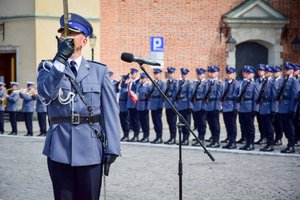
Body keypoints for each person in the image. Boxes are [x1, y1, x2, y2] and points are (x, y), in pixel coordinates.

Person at [37, 13, 121, 199]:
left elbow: (110, 111)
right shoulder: (47, 68)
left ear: (84, 41)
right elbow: (46, 93)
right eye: (62, 33)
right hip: (60, 146)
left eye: (71, 33)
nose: (65, 37)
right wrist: (59, 60)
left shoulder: (99, 71)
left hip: (90, 147)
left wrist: (113, 147)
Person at [275, 62, 300, 153]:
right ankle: (289, 144)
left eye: (288, 69)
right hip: (282, 107)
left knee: (289, 127)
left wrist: (293, 109)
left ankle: (291, 145)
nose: (286, 70)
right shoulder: (284, 80)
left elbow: (295, 97)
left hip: (289, 107)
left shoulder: (294, 81)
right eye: (285, 69)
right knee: (284, 127)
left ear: (292, 71)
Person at [254, 66, 275, 151]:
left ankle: (270, 144)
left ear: (270, 72)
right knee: (265, 126)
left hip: (268, 108)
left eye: (266, 71)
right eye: (264, 71)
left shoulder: (272, 83)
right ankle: (267, 143)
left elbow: (274, 98)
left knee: (269, 127)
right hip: (263, 107)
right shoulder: (264, 82)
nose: (264, 73)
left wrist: (273, 109)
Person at [237, 66, 258, 151]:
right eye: (244, 72)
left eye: (248, 73)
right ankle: (246, 142)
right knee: (244, 126)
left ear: (252, 74)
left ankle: (251, 144)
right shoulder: (242, 83)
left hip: (249, 108)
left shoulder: (254, 84)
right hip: (242, 107)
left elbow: (256, 98)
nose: (245, 74)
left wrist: (255, 109)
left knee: (250, 127)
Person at [203, 66, 223, 148]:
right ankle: (213, 139)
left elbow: (219, 96)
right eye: (210, 72)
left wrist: (217, 107)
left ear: (217, 73)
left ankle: (216, 141)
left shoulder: (219, 83)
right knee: (210, 124)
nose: (211, 73)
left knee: (215, 124)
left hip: (214, 106)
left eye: (213, 72)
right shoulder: (207, 83)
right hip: (208, 106)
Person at [221, 66, 240, 149]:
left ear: (234, 74)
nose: (229, 75)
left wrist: (236, 108)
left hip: (232, 106)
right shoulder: (225, 83)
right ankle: (229, 141)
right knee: (227, 124)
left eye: (231, 73)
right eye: (228, 73)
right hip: (225, 106)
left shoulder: (236, 83)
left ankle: (233, 142)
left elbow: (237, 97)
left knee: (232, 125)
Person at [175, 68, 193, 146]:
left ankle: (186, 139)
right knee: (181, 123)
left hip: (186, 105)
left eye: (185, 74)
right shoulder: (179, 83)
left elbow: (190, 96)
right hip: (180, 105)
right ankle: (183, 138)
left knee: (186, 123)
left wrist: (190, 106)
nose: (183, 75)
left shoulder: (189, 84)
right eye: (182, 74)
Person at [149, 68, 166, 144]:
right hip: (153, 104)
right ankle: (156, 136)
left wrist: (160, 105)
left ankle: (160, 137)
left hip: (158, 104)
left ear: (160, 74)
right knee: (154, 121)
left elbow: (163, 95)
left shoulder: (162, 83)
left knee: (158, 121)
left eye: (157, 73)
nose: (155, 75)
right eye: (154, 73)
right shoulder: (152, 83)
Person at [191, 68, 207, 146]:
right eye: (198, 74)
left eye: (200, 74)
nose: (198, 76)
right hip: (196, 105)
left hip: (202, 105)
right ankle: (199, 137)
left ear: (204, 74)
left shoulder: (205, 84)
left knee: (202, 123)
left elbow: (206, 95)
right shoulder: (196, 83)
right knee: (197, 123)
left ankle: (202, 138)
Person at [164, 67, 178, 145]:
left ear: (174, 74)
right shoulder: (167, 82)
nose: (170, 75)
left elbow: (175, 93)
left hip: (173, 104)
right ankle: (171, 137)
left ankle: (173, 138)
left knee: (173, 122)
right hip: (167, 105)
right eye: (169, 73)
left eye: (171, 73)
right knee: (169, 122)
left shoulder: (175, 82)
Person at [254, 64, 267, 145]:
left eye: (261, 70)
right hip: (258, 105)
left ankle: (266, 138)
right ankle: (262, 137)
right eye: (259, 70)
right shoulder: (256, 81)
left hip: (265, 105)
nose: (260, 72)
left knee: (266, 123)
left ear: (265, 71)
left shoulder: (268, 81)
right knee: (260, 122)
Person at [127, 68, 141, 142]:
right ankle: (133, 135)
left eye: (133, 74)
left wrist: (133, 82)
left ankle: (136, 135)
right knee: (131, 120)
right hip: (130, 104)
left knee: (136, 120)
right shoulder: (130, 82)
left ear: (136, 74)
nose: (132, 75)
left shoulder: (138, 82)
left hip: (135, 103)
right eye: (131, 74)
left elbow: (136, 91)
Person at [136, 73, 150, 142]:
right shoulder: (139, 86)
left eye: (143, 78)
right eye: (141, 78)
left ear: (146, 78)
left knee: (145, 122)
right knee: (141, 121)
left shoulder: (148, 87)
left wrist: (147, 107)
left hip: (145, 105)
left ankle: (146, 136)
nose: (142, 80)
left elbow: (149, 98)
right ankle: (144, 135)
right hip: (140, 105)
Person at [272, 66, 284, 146]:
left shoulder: (282, 81)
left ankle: (279, 138)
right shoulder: (273, 81)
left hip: (279, 105)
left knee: (279, 123)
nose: (275, 73)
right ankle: (275, 138)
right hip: (273, 104)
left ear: (280, 72)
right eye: (274, 72)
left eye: (276, 72)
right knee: (274, 123)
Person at [119, 74, 131, 142]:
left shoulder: (128, 87)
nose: (123, 81)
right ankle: (124, 134)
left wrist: (127, 107)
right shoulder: (121, 87)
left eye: (124, 79)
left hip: (125, 107)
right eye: (123, 79)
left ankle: (127, 135)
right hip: (121, 107)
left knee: (126, 122)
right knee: (122, 122)